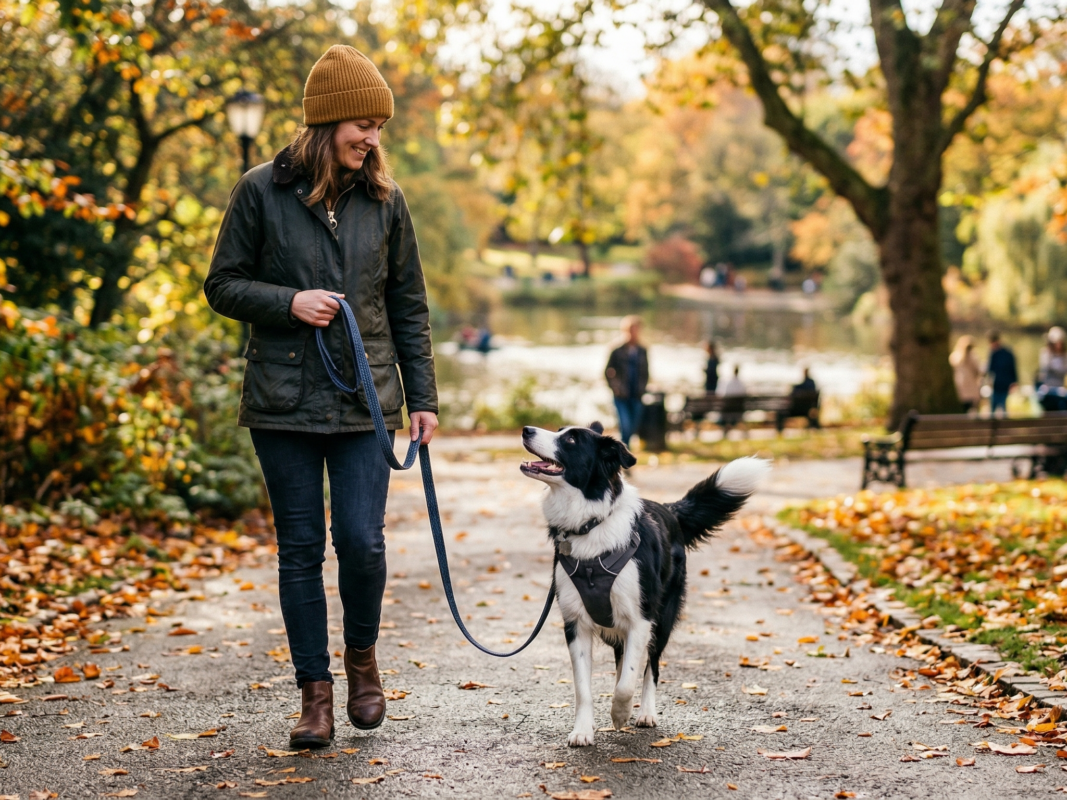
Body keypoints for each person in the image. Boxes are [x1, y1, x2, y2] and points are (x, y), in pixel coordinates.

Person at [204, 45, 439, 749]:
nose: (371, 138)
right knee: (300, 549)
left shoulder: (385, 201)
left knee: (362, 544)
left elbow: (409, 304)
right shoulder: (259, 191)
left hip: (367, 403)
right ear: (326, 122)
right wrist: (289, 302)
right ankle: (315, 697)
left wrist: (421, 398)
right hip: (282, 402)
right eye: (361, 124)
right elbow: (221, 285)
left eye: (379, 127)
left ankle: (362, 661)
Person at [605, 316, 649, 447]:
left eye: (636, 330)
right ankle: (624, 453)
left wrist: (643, 388)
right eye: (631, 330)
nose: (633, 333)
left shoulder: (642, 350)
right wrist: (615, 388)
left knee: (633, 427)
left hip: (637, 395)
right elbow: (607, 372)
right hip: (621, 396)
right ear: (625, 331)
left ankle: (623, 452)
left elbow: (646, 372)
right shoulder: (617, 350)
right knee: (625, 425)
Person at [986, 331, 1017, 416]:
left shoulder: (1002, 353)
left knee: (1002, 409)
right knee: (995, 410)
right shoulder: (997, 353)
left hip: (1003, 385)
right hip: (998, 385)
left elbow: (1012, 369)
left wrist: (1013, 382)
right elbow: (990, 369)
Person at [949, 335, 982, 413]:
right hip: (971, 387)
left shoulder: (955, 356)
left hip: (959, 386)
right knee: (972, 407)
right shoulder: (973, 357)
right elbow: (977, 370)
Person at [1037, 326, 1067, 411]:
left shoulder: (1064, 355)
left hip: (1060, 388)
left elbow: (1063, 370)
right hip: (1047, 388)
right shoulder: (1046, 353)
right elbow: (1045, 367)